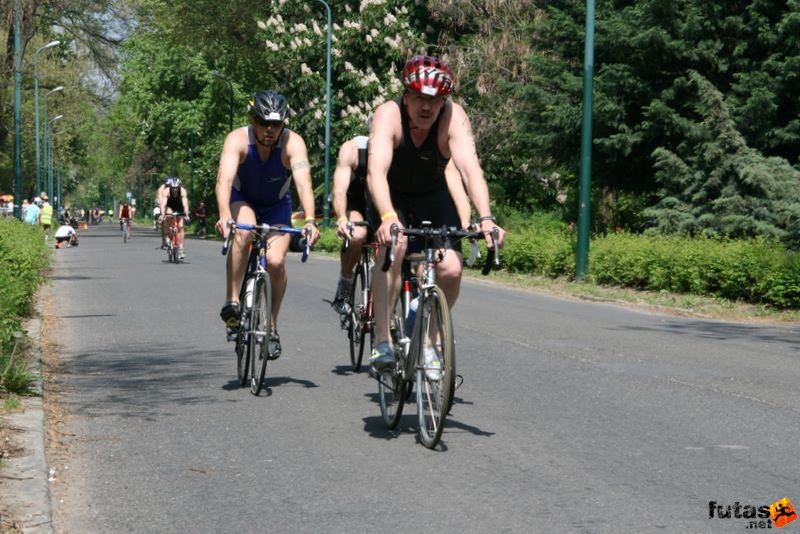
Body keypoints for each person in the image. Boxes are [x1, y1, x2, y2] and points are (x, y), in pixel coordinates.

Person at [366, 54, 506, 377]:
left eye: (435, 100)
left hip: (432, 195)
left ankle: (430, 341)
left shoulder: (453, 117)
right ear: (405, 96)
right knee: (395, 247)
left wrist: (485, 217)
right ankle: (382, 340)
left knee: (452, 269)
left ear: (444, 101)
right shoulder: (388, 115)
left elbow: (471, 171)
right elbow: (375, 173)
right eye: (418, 98)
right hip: (391, 195)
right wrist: (387, 216)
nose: (426, 107)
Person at [214, 90, 320, 357]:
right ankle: (233, 301)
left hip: (276, 205)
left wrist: (309, 220)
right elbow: (224, 180)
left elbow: (304, 183)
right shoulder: (237, 140)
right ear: (253, 121)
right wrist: (225, 214)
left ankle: (271, 325)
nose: (270, 130)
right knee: (243, 234)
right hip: (243, 200)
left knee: (275, 262)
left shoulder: (293, 143)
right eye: (264, 123)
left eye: (276, 124)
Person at [330, 120, 472, 317]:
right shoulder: (353, 150)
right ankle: (345, 282)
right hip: (358, 201)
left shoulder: (401, 153)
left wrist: (465, 223)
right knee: (357, 235)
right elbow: (339, 191)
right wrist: (342, 220)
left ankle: (416, 308)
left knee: (412, 242)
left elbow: (452, 186)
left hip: (388, 201)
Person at [158, 177, 190, 258]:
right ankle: (168, 234)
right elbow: (163, 204)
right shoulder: (166, 191)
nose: (175, 189)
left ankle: (181, 249)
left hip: (179, 206)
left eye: (176, 188)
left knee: (181, 226)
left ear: (179, 186)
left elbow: (185, 203)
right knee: (168, 215)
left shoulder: (182, 191)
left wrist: (186, 213)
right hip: (170, 205)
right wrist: (162, 214)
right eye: (173, 188)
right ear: (170, 187)